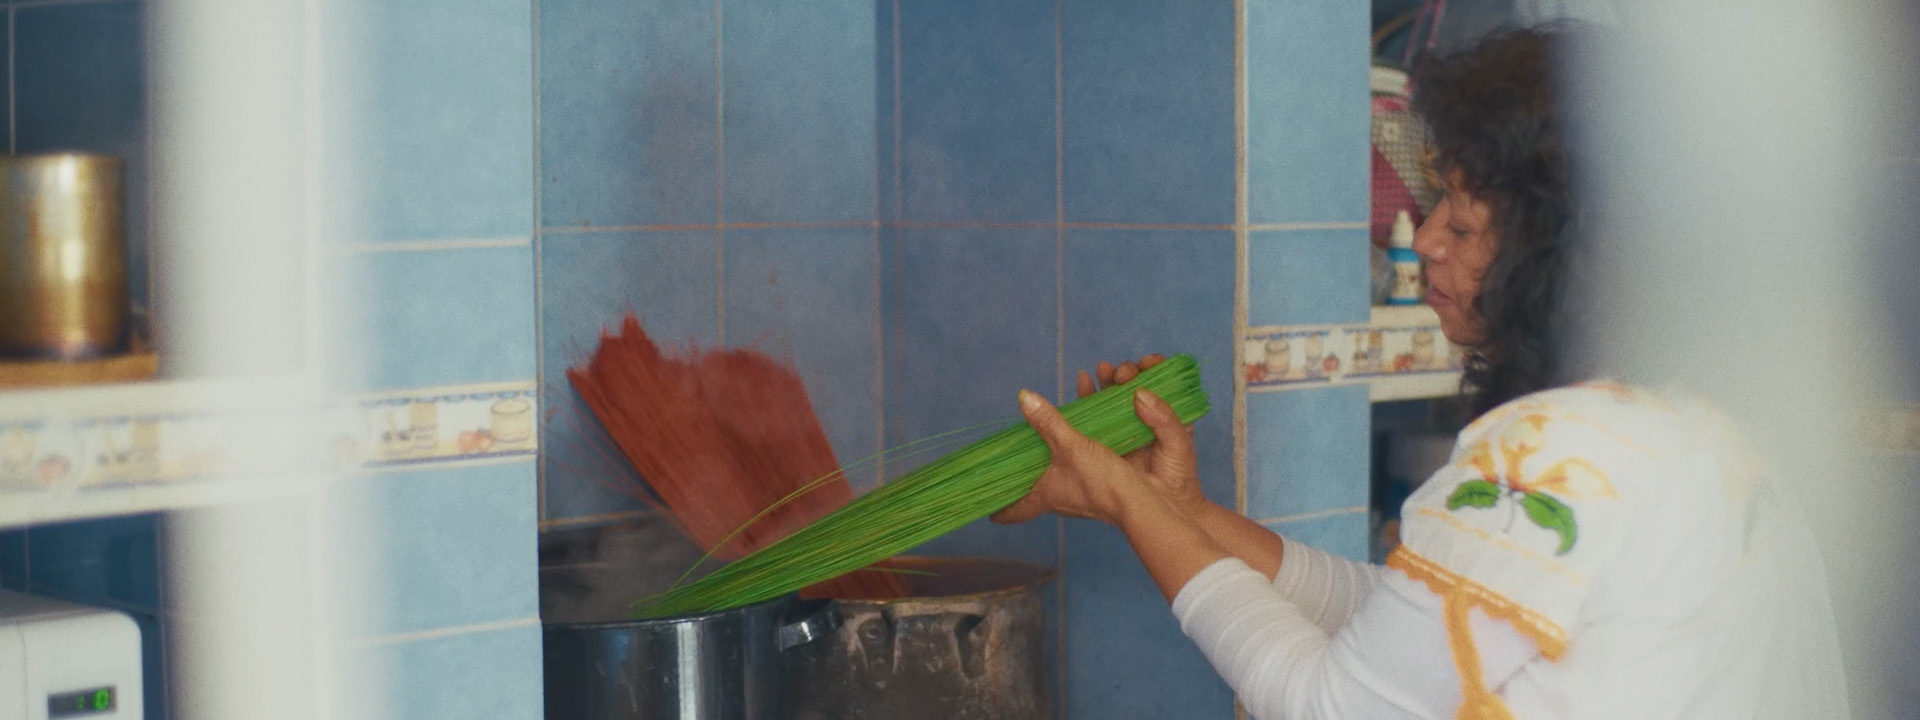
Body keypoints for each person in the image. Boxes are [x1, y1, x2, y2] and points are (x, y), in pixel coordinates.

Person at [990, 26, 1848, 720]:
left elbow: (1327, 705)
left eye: (1464, 227)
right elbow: (1408, 619)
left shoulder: (1558, 452)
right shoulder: (1696, 426)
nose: (1425, 237)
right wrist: (1182, 512)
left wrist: (1125, 501)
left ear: (1558, 263)